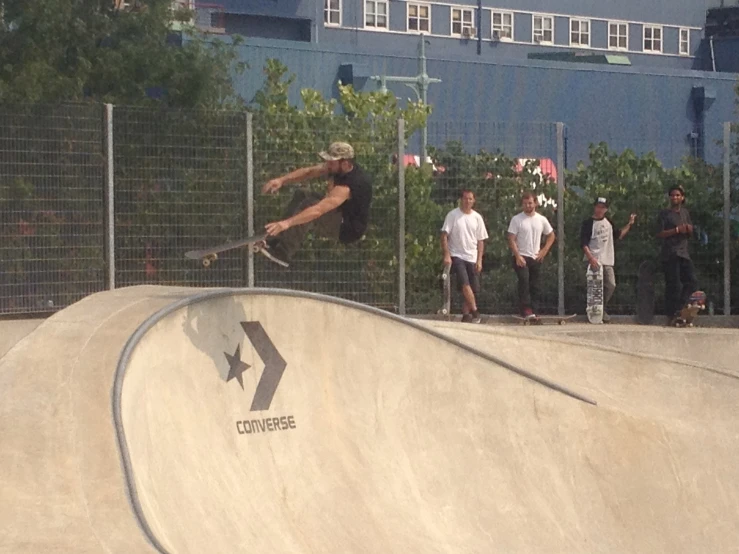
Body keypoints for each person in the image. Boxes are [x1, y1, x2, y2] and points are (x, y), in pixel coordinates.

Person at [259, 141, 372, 267]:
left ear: (345, 163)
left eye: (331, 162)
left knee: (309, 204)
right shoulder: (338, 168)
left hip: (346, 229)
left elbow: (318, 210)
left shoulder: (349, 185)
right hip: (340, 213)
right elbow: (309, 172)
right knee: (301, 194)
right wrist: (281, 180)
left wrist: (287, 223)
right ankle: (278, 239)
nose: (327, 165)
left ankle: (283, 253)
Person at [580, 197, 636, 322]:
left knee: (611, 284)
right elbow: (583, 243)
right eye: (598, 207)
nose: (600, 209)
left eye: (602, 207)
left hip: (607, 260)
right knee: (594, 287)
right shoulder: (588, 223)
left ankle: (600, 309)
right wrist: (590, 258)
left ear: (606, 209)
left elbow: (619, 235)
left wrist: (630, 224)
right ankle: (593, 309)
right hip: (593, 259)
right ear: (594, 207)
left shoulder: (608, 222)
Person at [440, 189, 489, 323]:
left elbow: (480, 240)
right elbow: (444, 235)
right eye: (465, 198)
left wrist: (479, 259)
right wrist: (447, 254)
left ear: (473, 201)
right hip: (457, 255)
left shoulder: (477, 218)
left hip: (472, 257)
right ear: (461, 200)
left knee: (473, 288)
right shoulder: (453, 215)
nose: (467, 201)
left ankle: (466, 314)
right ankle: (475, 311)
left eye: (470, 199)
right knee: (465, 283)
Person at [506, 191, 556, 319]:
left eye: (530, 203)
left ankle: (535, 309)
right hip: (522, 255)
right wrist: (517, 255)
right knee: (524, 281)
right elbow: (511, 238)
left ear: (535, 203)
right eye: (525, 204)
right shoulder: (517, 219)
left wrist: (544, 250)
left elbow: (551, 235)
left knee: (535, 284)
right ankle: (525, 308)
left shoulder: (541, 219)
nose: (528, 206)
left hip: (536, 256)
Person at [655, 184, 698, 324]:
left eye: (678, 195)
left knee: (691, 281)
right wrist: (677, 230)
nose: (675, 197)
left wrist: (689, 229)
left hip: (683, 252)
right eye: (673, 195)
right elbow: (659, 233)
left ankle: (681, 308)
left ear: (682, 197)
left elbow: (691, 232)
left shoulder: (685, 213)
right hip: (670, 253)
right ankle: (671, 313)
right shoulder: (664, 214)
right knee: (673, 285)